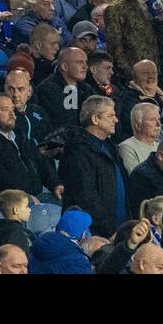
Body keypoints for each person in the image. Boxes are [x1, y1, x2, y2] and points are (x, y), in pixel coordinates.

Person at [59, 95, 126, 238]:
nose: (116, 120)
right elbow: (86, 195)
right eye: (110, 116)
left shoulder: (109, 147)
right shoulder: (78, 150)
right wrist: (108, 229)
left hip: (117, 228)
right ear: (96, 119)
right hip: (95, 233)